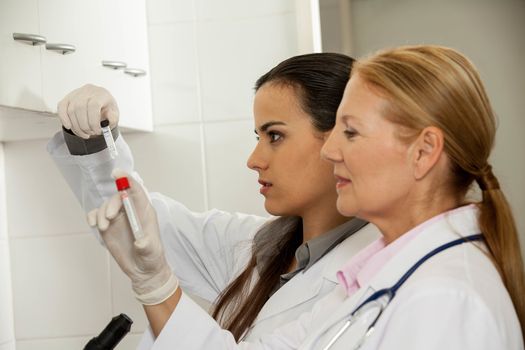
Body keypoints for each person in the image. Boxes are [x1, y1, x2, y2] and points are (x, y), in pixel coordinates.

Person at [86, 45, 525, 349]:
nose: (332, 150)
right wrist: (156, 285)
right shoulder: (374, 280)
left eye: (350, 133)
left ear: (424, 152)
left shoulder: (444, 298)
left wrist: (158, 286)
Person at [48, 53, 380, 346]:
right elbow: (134, 222)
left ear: (340, 138)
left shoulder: (368, 278)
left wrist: (157, 286)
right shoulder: (259, 246)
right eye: (258, 137)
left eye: (275, 136)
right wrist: (92, 137)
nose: (254, 159)